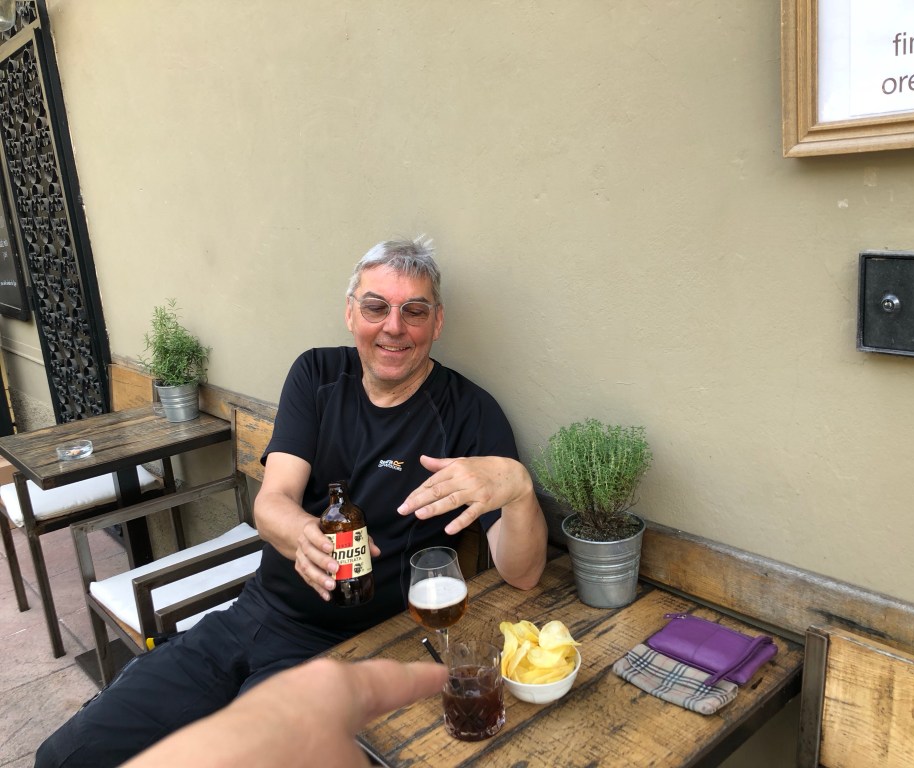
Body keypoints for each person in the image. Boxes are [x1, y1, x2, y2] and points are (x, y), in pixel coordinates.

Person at [37, 238, 548, 767]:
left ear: (436, 322)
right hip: (252, 614)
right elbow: (272, 502)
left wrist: (518, 489)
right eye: (375, 307)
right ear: (350, 313)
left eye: (414, 311)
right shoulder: (317, 374)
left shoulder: (470, 413)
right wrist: (304, 535)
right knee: (65, 757)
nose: (394, 326)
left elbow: (524, 573)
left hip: (350, 649)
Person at [122, 657, 448, 768]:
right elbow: (268, 518)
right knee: (96, 737)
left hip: (325, 648)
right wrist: (292, 531)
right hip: (246, 615)